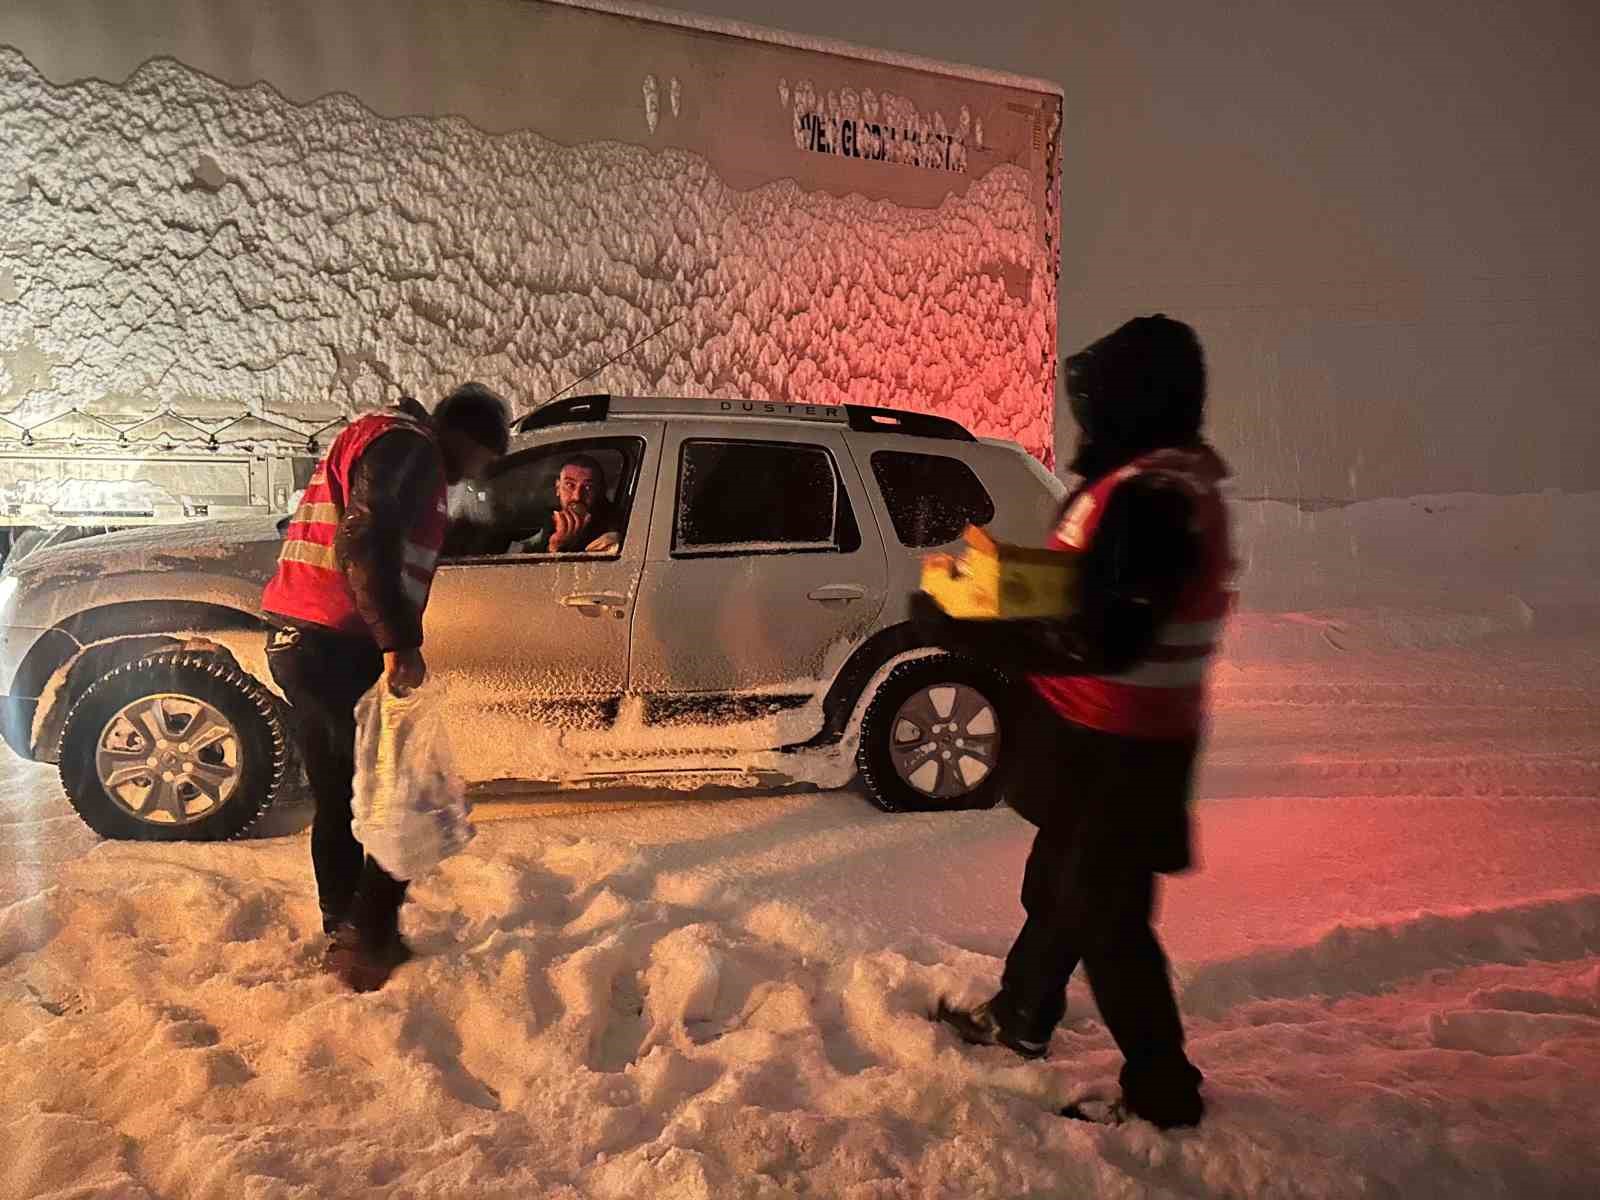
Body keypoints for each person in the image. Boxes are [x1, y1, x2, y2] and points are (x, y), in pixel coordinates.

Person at [923, 315, 1233, 1129]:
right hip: (1100, 736)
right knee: (1059, 885)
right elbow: (1086, 593)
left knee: (1109, 920)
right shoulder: (1146, 481)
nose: (1083, 416)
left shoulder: (1156, 497)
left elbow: (1104, 635)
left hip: (1124, 747)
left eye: (1098, 399)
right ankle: (1021, 1015)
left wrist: (969, 629)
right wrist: (994, 592)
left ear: (1139, 399)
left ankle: (1165, 1094)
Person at [262, 383, 508, 992]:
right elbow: (364, 537)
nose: (470, 477)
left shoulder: (385, 439)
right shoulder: (408, 448)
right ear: (463, 438)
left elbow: (393, 534)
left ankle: (347, 929)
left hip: (304, 639)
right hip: (331, 641)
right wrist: (399, 641)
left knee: (347, 794)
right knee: (399, 791)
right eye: (480, 461)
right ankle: (367, 938)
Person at [510, 453, 621, 554]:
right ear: (558, 488)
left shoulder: (608, 535)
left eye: (588, 487)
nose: (577, 497)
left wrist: (557, 547)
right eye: (569, 485)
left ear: (600, 491)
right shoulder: (552, 520)